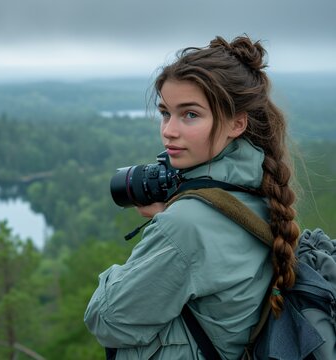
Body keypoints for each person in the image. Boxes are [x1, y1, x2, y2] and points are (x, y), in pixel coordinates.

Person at [84, 35, 300, 359]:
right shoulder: (259, 192)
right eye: (165, 113)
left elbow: (106, 320)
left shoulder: (185, 228)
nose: (169, 130)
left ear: (237, 123)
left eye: (190, 115)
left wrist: (129, 265)